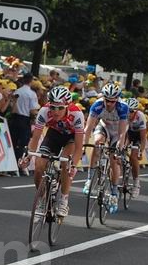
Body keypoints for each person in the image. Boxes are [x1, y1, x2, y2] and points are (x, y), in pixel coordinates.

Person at [20, 87, 85, 217]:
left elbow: (79, 146)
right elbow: (36, 137)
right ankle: (43, 198)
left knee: (66, 164)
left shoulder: (77, 114)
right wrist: (28, 156)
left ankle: (63, 201)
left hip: (70, 138)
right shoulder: (44, 111)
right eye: (53, 107)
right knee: (39, 165)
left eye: (60, 108)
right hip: (53, 135)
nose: (56, 111)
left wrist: (74, 164)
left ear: (67, 105)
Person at [82, 83, 129, 213]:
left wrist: (120, 147)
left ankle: (114, 192)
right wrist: (83, 146)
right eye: (106, 100)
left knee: (114, 160)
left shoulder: (123, 107)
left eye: (112, 101)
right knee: (97, 142)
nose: (108, 104)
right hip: (104, 127)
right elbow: (88, 128)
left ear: (117, 99)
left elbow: (121, 134)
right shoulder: (97, 105)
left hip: (118, 131)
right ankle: (89, 179)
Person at [9, 73, 40, 161]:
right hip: (24, 120)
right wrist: (35, 118)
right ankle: (20, 162)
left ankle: (12, 162)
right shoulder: (31, 93)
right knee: (23, 143)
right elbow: (32, 110)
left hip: (14, 118)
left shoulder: (17, 91)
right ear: (31, 81)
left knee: (13, 141)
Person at [124, 98, 147, 198]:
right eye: (127, 111)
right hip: (127, 134)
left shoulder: (141, 117)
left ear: (136, 111)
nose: (129, 113)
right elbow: (122, 133)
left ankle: (136, 183)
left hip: (137, 136)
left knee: (133, 156)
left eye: (131, 111)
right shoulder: (123, 115)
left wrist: (140, 151)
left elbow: (143, 137)